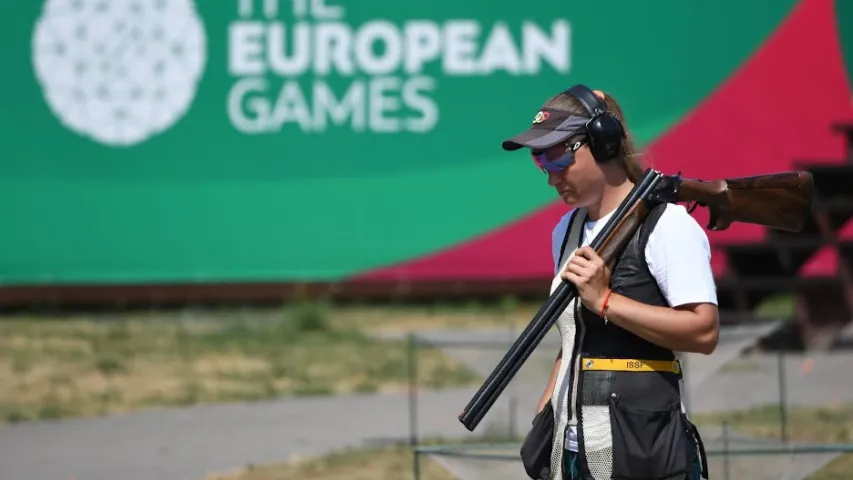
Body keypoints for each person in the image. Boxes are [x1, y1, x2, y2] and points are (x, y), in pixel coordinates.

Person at [501, 84, 718, 480]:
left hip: (643, 451)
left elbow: (703, 332)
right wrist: (547, 411)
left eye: (557, 157)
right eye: (540, 160)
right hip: (573, 448)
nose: (550, 176)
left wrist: (606, 300)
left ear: (603, 144)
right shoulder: (566, 231)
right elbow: (575, 338)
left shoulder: (668, 226)